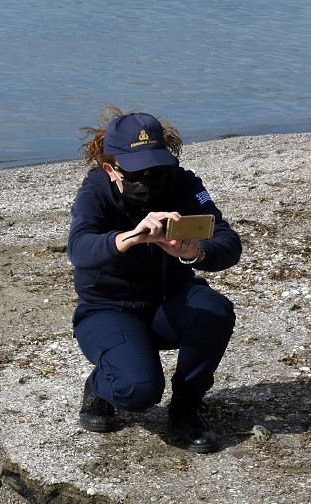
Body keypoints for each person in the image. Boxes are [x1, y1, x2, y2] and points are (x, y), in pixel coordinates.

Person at [66, 109, 241, 454]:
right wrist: (130, 238)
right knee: (139, 391)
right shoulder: (96, 192)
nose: (148, 177)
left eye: (156, 168)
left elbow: (228, 242)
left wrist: (192, 252)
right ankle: (100, 386)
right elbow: (79, 248)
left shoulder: (183, 184)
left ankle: (186, 408)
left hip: (168, 303)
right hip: (107, 310)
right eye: (135, 171)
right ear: (112, 170)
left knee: (215, 310)